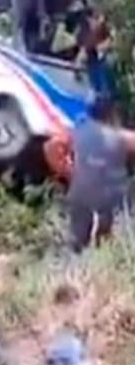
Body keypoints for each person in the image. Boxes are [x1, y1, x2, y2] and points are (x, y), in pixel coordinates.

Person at [60, 94, 135, 252]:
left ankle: (72, 268)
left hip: (80, 192)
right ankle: (109, 255)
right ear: (112, 113)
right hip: (112, 194)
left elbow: (51, 146)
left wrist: (66, 170)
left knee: (76, 239)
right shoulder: (121, 136)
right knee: (115, 231)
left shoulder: (76, 131)